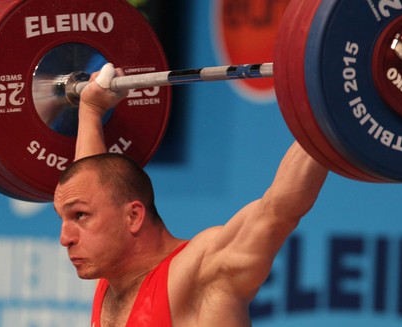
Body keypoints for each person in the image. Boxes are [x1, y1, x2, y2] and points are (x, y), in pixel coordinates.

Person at [53, 64, 328, 327]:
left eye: (80, 216)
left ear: (133, 216)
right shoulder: (112, 277)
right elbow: (92, 182)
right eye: (66, 218)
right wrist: (90, 110)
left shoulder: (200, 271)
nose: (66, 238)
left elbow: (278, 210)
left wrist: (331, 110)